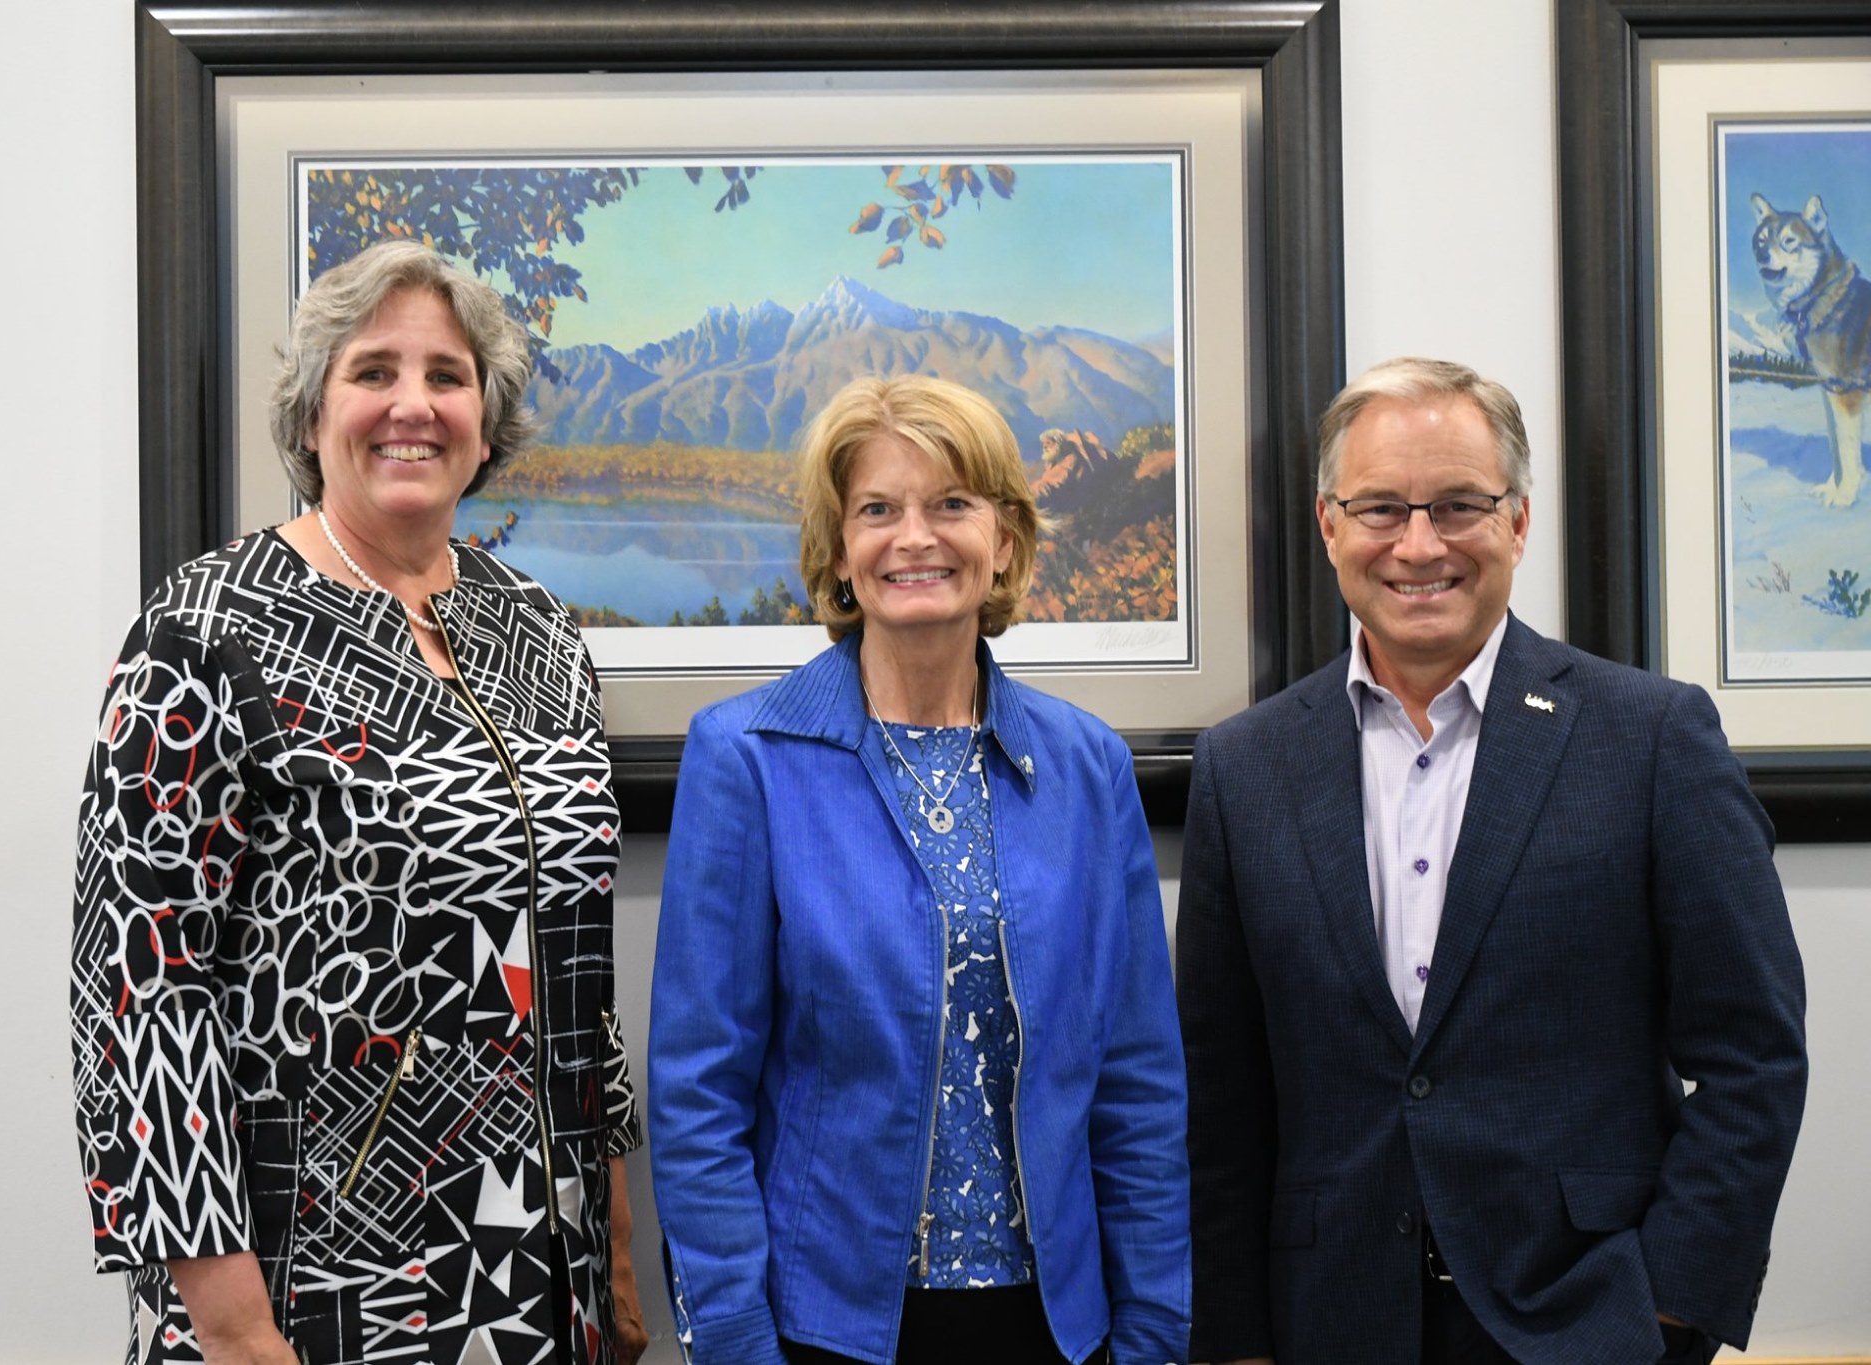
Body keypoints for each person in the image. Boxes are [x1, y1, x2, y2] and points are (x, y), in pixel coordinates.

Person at [71, 240, 648, 1365]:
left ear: (487, 417)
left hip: (538, 1268)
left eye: (447, 375)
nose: (413, 406)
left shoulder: (536, 627)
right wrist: (233, 1327)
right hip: (316, 1276)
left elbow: (578, 970)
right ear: (312, 409)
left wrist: (615, 1243)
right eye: (373, 371)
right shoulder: (207, 629)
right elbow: (140, 998)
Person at [1177, 356, 1808, 1365]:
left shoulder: (1648, 738)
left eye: (1458, 505)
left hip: (1582, 1323)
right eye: (1379, 507)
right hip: (1325, 1323)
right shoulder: (1244, 766)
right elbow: (1219, 1093)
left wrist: (1667, 1309)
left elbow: (1752, 1056)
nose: (1417, 543)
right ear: (1327, 525)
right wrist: (1234, 1339)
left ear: (1516, 522)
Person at [646, 375, 1190, 1365]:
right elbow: (697, 1097)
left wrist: (1154, 1331)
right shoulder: (745, 758)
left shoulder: (1087, 766)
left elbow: (1135, 1083)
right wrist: (732, 1344)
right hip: (825, 1331)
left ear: (1005, 542)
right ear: (839, 554)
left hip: (1058, 1329)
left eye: (952, 504)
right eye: (877, 510)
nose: (916, 538)